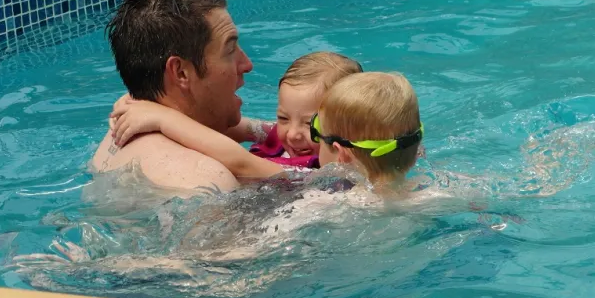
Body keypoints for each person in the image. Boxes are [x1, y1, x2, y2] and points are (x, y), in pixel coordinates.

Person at [109, 71, 424, 195]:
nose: (303, 137)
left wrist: (163, 119)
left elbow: (239, 162)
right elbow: (254, 129)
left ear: (340, 152)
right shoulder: (429, 195)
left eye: (317, 132)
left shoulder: (324, 191)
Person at [90, 0, 253, 195]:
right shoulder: (207, 181)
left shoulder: (115, 137)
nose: (247, 64)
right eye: (230, 50)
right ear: (181, 73)